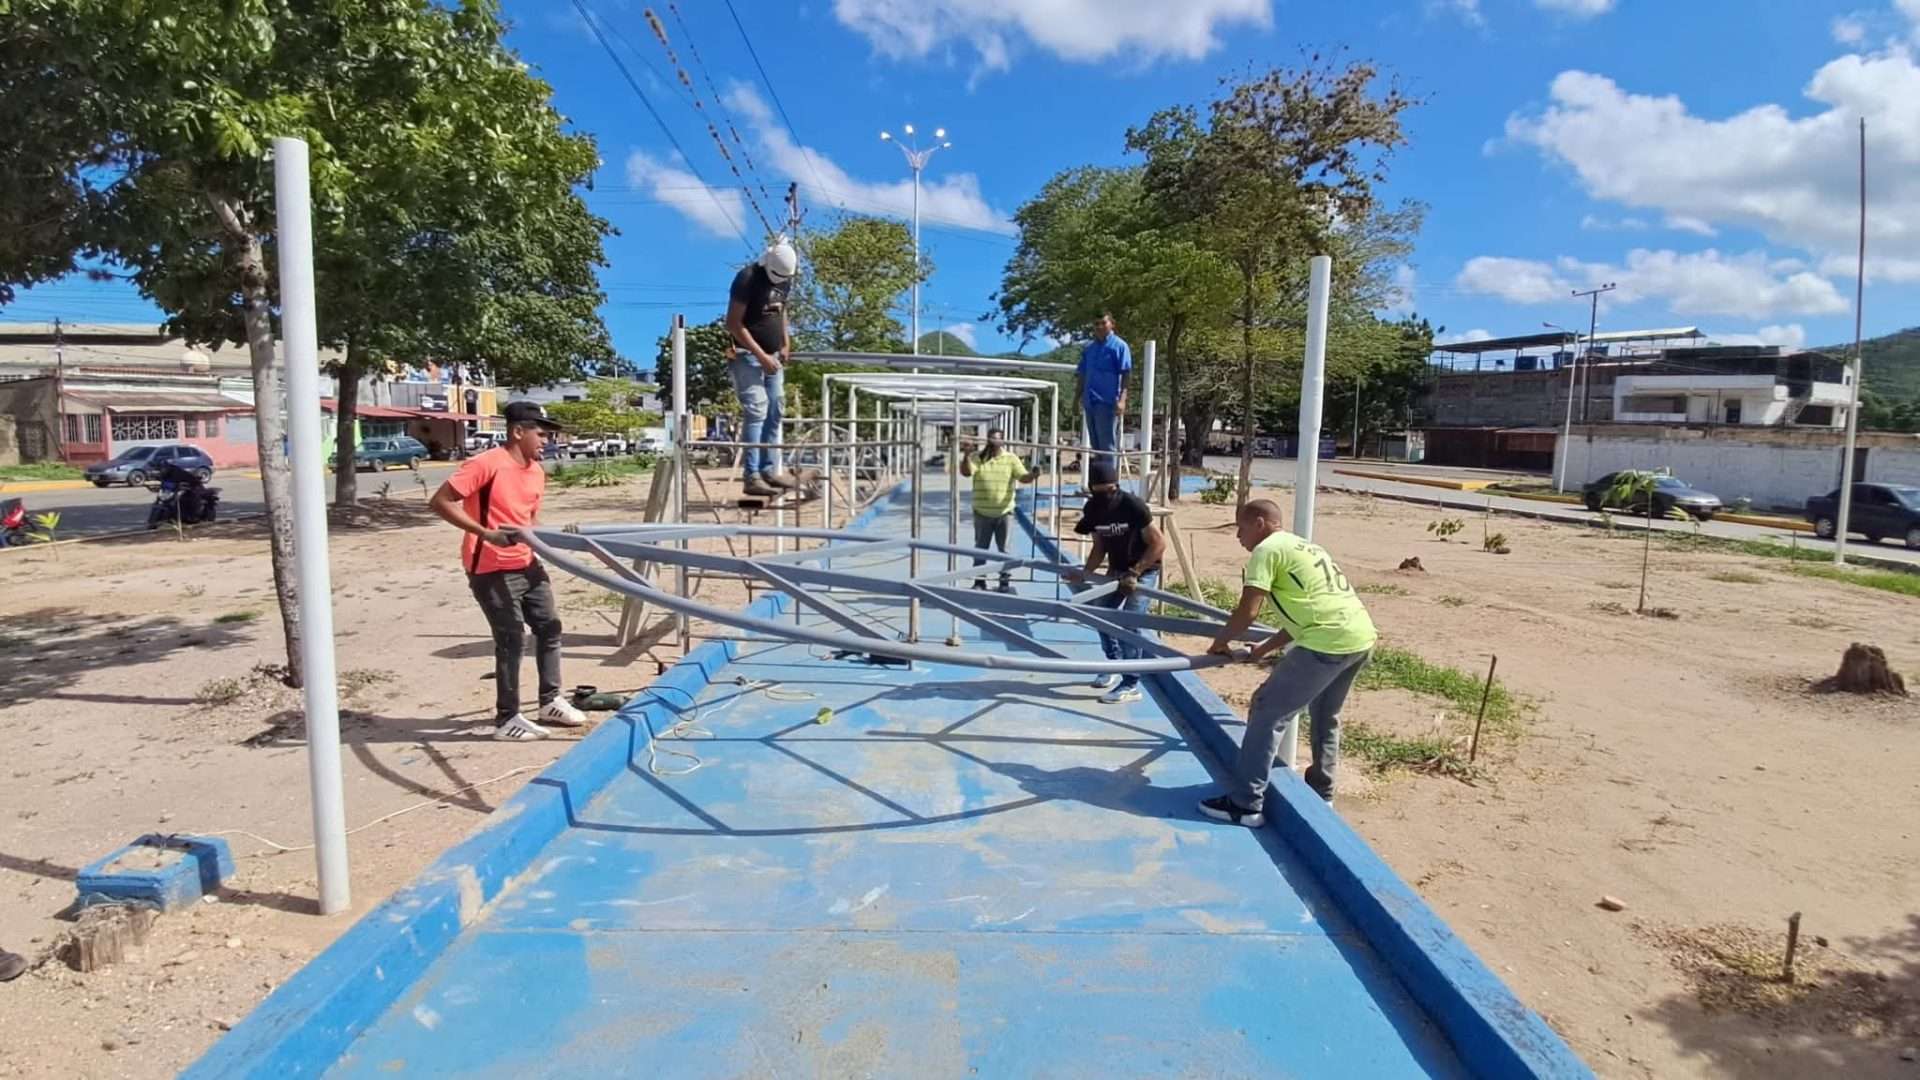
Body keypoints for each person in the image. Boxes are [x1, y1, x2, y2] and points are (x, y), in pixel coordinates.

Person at [1197, 499, 1376, 825]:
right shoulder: (1302, 546)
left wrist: (1220, 643)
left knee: (1267, 709)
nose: (1238, 536)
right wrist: (1264, 648)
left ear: (1260, 523)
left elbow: (1248, 611)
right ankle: (1323, 794)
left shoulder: (1265, 551)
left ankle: (1246, 804)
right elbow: (1305, 612)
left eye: (1241, 527)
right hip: (1358, 636)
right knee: (1325, 715)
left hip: (1326, 642)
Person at [429, 401, 590, 742]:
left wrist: (557, 538)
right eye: (541, 434)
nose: (547, 440)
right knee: (512, 639)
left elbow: (528, 522)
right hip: (490, 567)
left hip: (527, 563)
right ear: (518, 432)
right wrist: (485, 533)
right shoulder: (486, 464)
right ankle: (507, 719)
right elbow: (440, 502)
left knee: (550, 627)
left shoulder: (536, 471)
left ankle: (549, 702)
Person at [1066, 458, 1165, 705]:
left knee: (1129, 623)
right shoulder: (1093, 508)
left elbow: (1158, 543)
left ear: (1116, 486)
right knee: (1101, 615)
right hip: (1116, 568)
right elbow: (1099, 546)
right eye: (1097, 492)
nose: (1103, 496)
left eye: (1108, 491)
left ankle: (1131, 683)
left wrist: (1135, 571)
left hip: (1144, 569)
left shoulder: (1132, 505)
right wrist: (1084, 573)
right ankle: (1112, 663)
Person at [725, 237, 800, 499]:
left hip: (774, 355)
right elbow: (734, 324)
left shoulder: (785, 279)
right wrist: (761, 355)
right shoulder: (747, 278)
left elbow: (782, 311)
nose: (780, 281)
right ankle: (752, 475)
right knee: (757, 409)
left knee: (776, 408)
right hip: (746, 354)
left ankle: (770, 470)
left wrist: (785, 342)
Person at [960, 427, 1039, 592]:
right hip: (982, 511)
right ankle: (979, 581)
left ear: (1002, 441)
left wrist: (1033, 475)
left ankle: (1004, 582)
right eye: (991, 439)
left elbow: (1023, 477)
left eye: (997, 439)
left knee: (1004, 550)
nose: (993, 442)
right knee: (981, 548)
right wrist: (966, 454)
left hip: (1005, 512)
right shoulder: (977, 457)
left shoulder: (1011, 459)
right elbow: (966, 472)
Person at [1075, 313, 1130, 464]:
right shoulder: (1089, 348)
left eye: (1103, 323)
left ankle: (1110, 484)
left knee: (1107, 446)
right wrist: (1076, 399)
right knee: (1095, 446)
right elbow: (1082, 375)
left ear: (1112, 324)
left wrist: (1122, 401)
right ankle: (1100, 483)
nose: (1099, 327)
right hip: (1089, 401)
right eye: (1096, 324)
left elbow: (1126, 374)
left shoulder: (1119, 346)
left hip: (1107, 402)